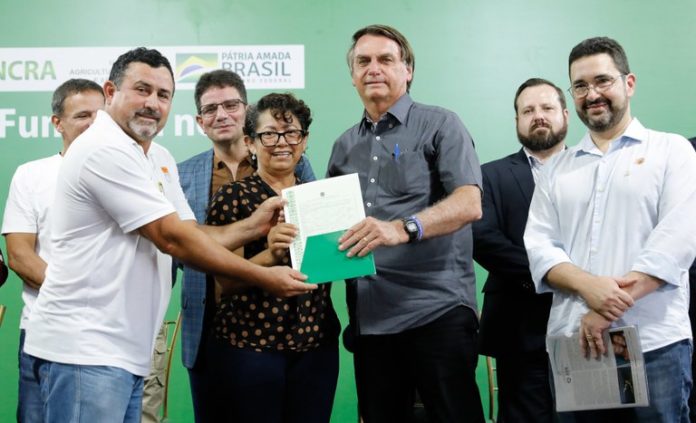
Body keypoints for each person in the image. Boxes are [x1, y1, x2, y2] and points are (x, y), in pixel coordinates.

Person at [22, 47, 312, 423]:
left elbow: (190, 231)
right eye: (142, 89)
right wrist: (264, 275)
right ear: (110, 92)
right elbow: (172, 239)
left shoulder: (157, 156)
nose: (152, 103)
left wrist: (253, 225)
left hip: (126, 349)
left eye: (163, 94)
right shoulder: (101, 150)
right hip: (85, 349)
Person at [524, 37, 696, 422]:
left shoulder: (672, 151)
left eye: (602, 80)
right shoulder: (556, 169)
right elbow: (540, 247)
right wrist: (590, 288)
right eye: (580, 86)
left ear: (628, 83)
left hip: (654, 343)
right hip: (578, 343)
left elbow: (677, 240)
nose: (592, 94)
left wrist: (607, 309)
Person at [327, 24, 485, 422]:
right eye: (363, 61)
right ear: (352, 75)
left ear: (408, 70)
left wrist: (402, 228)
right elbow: (331, 232)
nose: (373, 68)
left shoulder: (441, 124)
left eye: (386, 59)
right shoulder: (343, 146)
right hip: (371, 321)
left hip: (437, 310)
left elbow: (469, 203)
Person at [175, 69, 316, 422]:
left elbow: (311, 235)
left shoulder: (297, 168)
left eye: (231, 105)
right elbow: (173, 244)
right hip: (210, 325)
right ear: (200, 121)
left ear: (246, 111)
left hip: (293, 326)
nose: (221, 115)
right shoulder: (180, 174)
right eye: (210, 109)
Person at [203, 92, 340, 422]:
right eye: (269, 134)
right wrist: (272, 254)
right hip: (250, 348)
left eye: (291, 133)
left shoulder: (321, 197)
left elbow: (331, 270)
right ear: (250, 142)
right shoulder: (232, 197)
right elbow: (225, 284)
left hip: (315, 347)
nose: (282, 143)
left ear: (304, 140)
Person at [1, 78, 104, 423]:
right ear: (57, 123)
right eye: (83, 115)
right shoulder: (31, 175)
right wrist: (82, 296)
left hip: (110, 337)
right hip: (45, 329)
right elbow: (19, 255)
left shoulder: (131, 174)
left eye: (101, 115)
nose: (94, 123)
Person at [473, 78, 567, 423]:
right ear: (517, 121)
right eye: (528, 110)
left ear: (565, 114)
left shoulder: (595, 169)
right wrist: (558, 274)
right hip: (519, 325)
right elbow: (483, 238)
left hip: (588, 322)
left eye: (547, 108)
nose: (538, 115)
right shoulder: (488, 175)